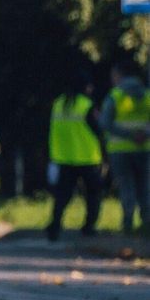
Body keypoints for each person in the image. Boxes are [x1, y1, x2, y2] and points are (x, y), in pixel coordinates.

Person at [44, 71, 104, 241]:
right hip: (86, 157)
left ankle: (54, 226)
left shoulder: (58, 103)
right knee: (93, 194)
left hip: (63, 157)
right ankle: (89, 227)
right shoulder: (86, 105)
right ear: (85, 87)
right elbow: (98, 130)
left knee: (62, 196)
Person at [98, 58, 149, 234]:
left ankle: (127, 222)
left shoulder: (115, 96)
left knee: (127, 185)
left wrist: (128, 135)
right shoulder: (147, 95)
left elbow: (106, 123)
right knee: (145, 185)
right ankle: (146, 223)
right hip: (145, 148)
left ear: (119, 75)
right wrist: (143, 134)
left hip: (120, 150)